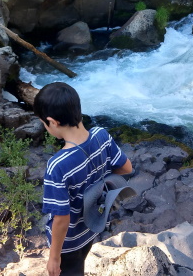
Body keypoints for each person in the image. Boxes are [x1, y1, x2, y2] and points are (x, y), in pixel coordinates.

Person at [34, 82, 133, 276]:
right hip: (92, 226)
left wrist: (54, 257)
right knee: (80, 263)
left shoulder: (58, 165)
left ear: (52, 122)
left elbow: (62, 218)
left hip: (69, 242)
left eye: (44, 123)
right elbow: (126, 167)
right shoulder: (101, 135)